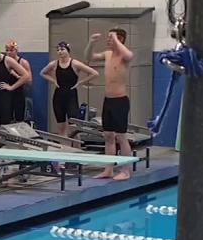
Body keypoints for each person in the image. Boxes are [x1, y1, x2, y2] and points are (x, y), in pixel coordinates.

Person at [86, 28, 134, 180]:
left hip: (120, 101)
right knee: (108, 135)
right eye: (107, 37)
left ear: (119, 39)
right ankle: (109, 169)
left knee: (121, 136)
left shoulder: (123, 56)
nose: (107, 40)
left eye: (110, 38)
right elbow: (89, 57)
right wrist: (91, 43)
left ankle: (125, 170)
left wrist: (116, 40)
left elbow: (128, 55)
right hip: (108, 101)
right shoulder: (107, 55)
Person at [40, 41, 98, 137]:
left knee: (74, 126)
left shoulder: (74, 63)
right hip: (58, 97)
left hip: (71, 96)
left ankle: (77, 148)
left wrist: (80, 82)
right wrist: (53, 80)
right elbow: (43, 73)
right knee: (61, 126)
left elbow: (94, 73)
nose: (60, 52)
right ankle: (64, 148)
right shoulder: (54, 64)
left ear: (68, 50)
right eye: (58, 50)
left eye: (62, 49)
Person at [5, 40, 33, 124]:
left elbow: (29, 81)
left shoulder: (23, 62)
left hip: (18, 93)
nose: (9, 53)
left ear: (16, 51)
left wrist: (18, 77)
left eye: (11, 50)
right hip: (6, 94)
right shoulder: (3, 62)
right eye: (7, 51)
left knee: (19, 119)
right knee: (6, 119)